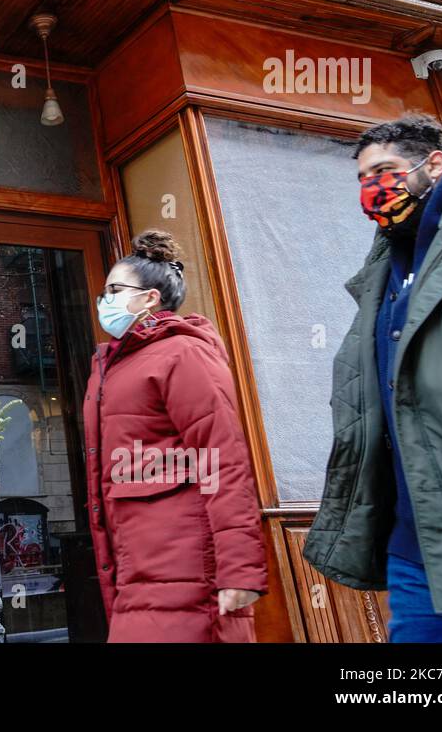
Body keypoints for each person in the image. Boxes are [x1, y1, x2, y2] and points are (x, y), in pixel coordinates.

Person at [304, 112, 442, 642]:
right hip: (420, 547)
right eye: (361, 178)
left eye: (384, 169)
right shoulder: (383, 268)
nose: (371, 187)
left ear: (435, 163)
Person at [83, 229, 268, 642]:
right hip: (139, 568)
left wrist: (238, 569)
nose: (104, 300)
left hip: (186, 567)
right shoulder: (115, 364)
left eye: (115, 289)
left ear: (150, 298)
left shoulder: (182, 353)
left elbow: (222, 459)